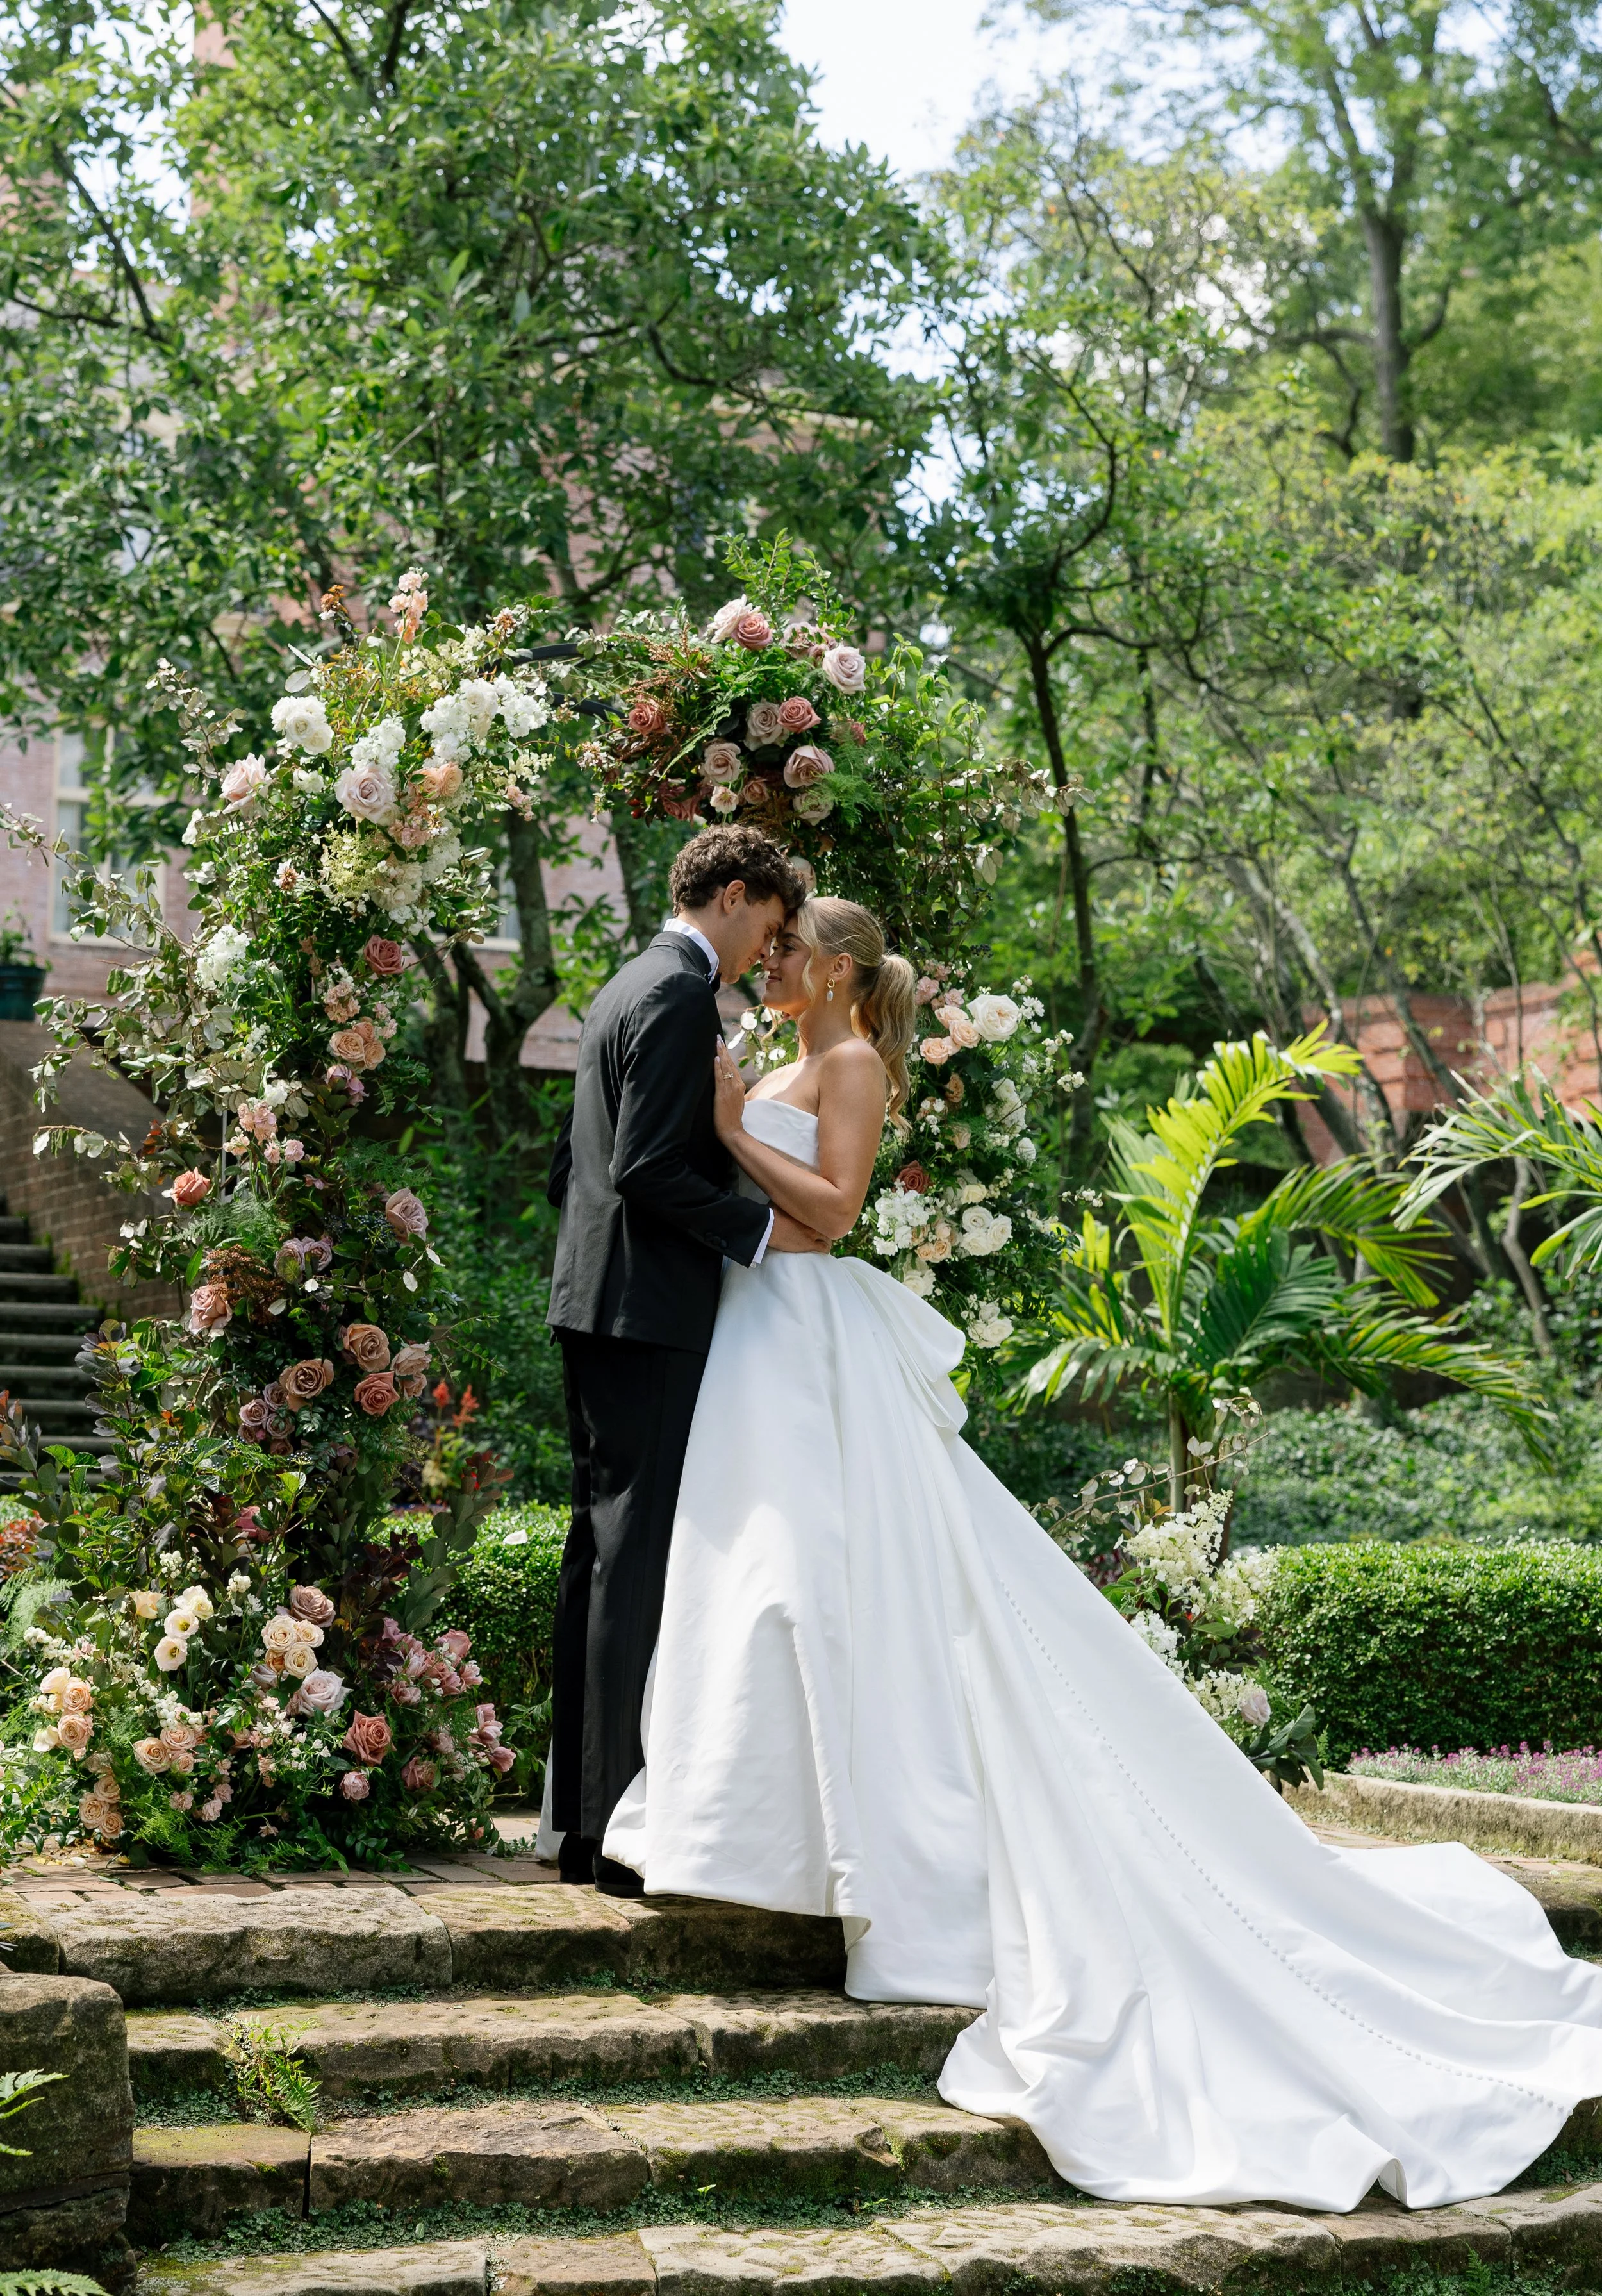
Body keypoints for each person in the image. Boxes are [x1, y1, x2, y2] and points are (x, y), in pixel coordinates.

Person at [603, 891, 1602, 2208]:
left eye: (788, 952)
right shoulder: (783, 1051)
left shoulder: (845, 1063)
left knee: (837, 1590)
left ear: (836, 969)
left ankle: (877, 1852)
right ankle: (763, 1840)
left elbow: (833, 1212)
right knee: (775, 1591)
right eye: (765, 948)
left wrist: (733, 1130)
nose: (767, 965)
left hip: (812, 1327)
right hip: (760, 1343)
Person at [543, 824, 817, 1895]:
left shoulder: (627, 984)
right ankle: (613, 1830)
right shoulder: (678, 996)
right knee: (632, 1560)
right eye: (771, 926)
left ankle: (577, 1818)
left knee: (597, 1556)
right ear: (736, 896)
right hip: (644, 1313)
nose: (770, 949)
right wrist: (755, 1232)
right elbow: (649, 1166)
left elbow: (580, 1165)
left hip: (599, 1304)